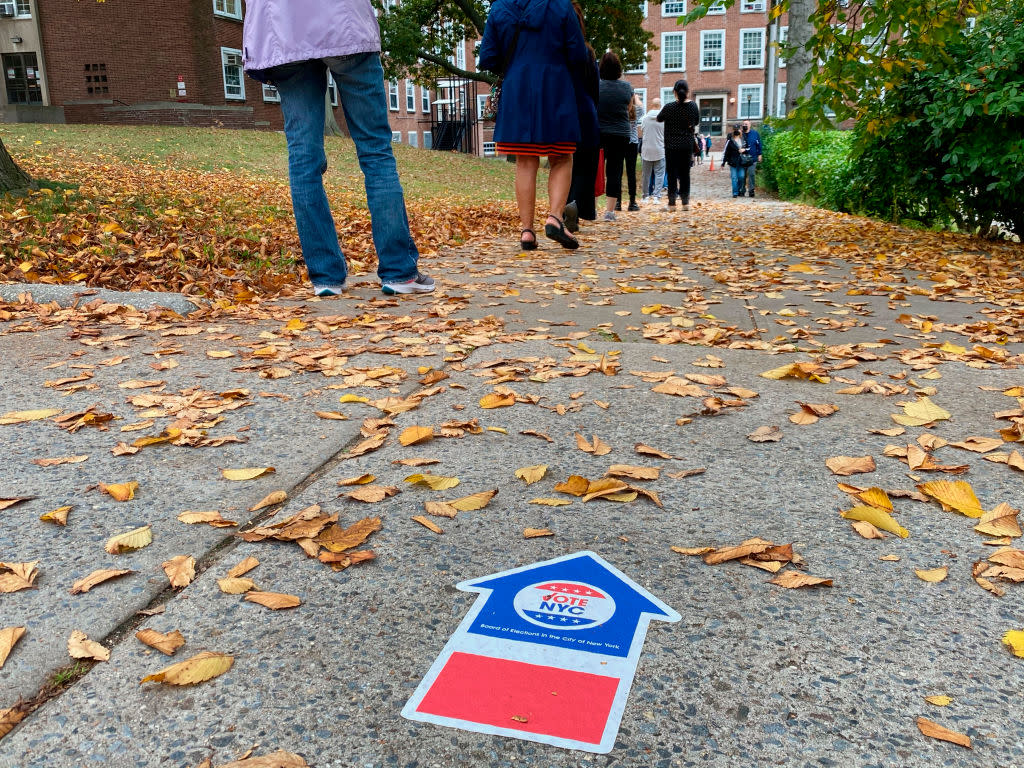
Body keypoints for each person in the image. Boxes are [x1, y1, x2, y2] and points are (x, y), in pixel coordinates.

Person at [242, 0, 434, 296]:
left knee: (303, 158)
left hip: (282, 32)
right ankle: (399, 272)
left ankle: (325, 277)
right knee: (376, 151)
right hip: (343, 24)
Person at [479, 0, 590, 250]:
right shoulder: (561, 6)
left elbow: (487, 57)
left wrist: (516, 65)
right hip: (556, 88)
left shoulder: (499, 7)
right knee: (561, 157)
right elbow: (578, 54)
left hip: (517, 88)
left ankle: (527, 231)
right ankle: (554, 217)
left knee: (526, 160)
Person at [563, 3, 600, 235]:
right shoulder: (588, 52)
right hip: (586, 111)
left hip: (563, 109)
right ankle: (577, 205)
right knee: (586, 165)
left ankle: (565, 205)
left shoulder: (557, 53)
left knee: (563, 162)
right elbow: (595, 89)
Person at [596, 51, 633, 221]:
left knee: (595, 170)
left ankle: (592, 207)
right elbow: (629, 109)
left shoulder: (595, 85)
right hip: (620, 134)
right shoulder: (627, 87)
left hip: (599, 132)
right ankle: (609, 212)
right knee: (615, 171)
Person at [656, 79, 700, 211]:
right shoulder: (693, 106)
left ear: (674, 92)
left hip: (671, 146)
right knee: (685, 174)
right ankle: (685, 203)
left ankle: (672, 204)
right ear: (687, 92)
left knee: (672, 174)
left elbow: (659, 118)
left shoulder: (669, 107)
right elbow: (696, 122)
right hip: (686, 145)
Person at [638, 97, 665, 205]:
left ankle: (645, 196)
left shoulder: (645, 118)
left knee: (646, 175)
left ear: (652, 105)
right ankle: (656, 197)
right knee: (659, 174)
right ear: (660, 105)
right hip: (659, 149)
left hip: (646, 150)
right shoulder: (664, 119)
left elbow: (643, 130)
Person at [622, 93, 642, 211]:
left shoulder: (621, 110)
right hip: (632, 143)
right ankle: (632, 202)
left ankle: (617, 202)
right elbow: (641, 106)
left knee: (617, 171)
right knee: (631, 173)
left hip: (621, 141)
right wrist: (636, 97)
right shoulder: (637, 110)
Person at [741, 119, 763, 198]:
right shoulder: (740, 134)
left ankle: (751, 190)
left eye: (746, 124)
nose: (745, 125)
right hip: (742, 158)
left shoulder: (755, 134)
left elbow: (759, 144)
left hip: (752, 158)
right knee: (742, 175)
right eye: (744, 124)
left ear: (750, 125)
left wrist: (760, 154)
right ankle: (742, 190)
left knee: (751, 174)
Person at [721, 128, 746, 198]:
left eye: (738, 130)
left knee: (741, 177)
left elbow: (748, 149)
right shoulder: (730, 141)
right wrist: (723, 163)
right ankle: (735, 193)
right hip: (733, 162)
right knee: (734, 177)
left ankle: (738, 189)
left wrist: (744, 150)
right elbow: (726, 152)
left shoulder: (743, 140)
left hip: (741, 162)